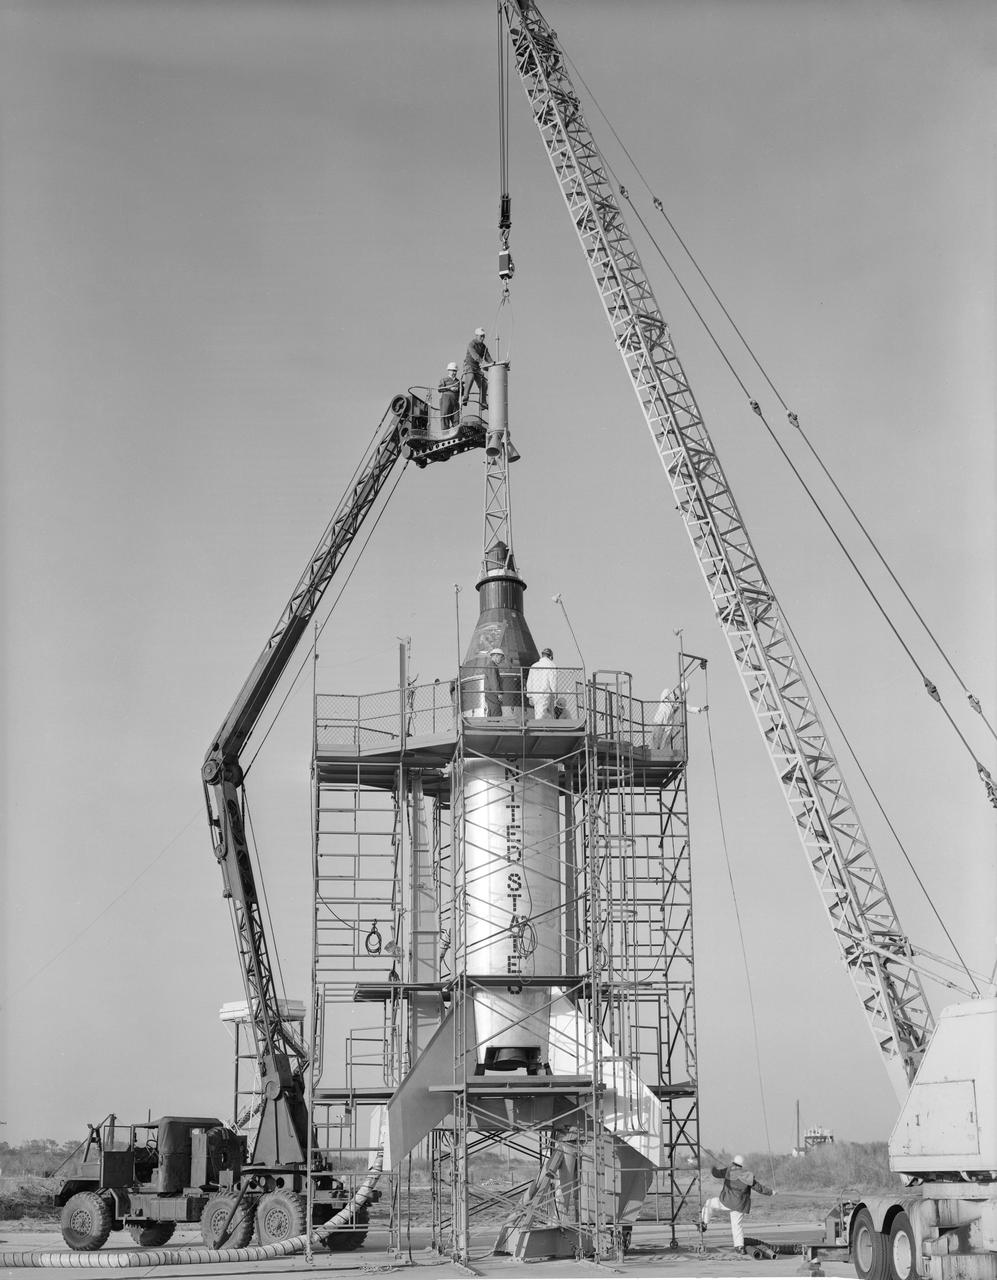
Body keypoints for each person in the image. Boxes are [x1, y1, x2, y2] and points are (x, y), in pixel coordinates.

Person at [699, 1155, 774, 1253]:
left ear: (733, 1163)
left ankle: (704, 1223)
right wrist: (771, 1192)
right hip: (740, 1205)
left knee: (709, 1203)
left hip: (727, 1201)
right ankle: (739, 1247)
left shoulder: (728, 1171)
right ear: (742, 1165)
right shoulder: (747, 1175)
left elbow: (715, 1173)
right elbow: (759, 1188)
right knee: (737, 1225)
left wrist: (712, 1166)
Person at [462, 327, 492, 409]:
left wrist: (493, 365)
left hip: (477, 368)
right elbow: (474, 355)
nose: (482, 338)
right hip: (469, 366)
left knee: (484, 383)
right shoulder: (471, 344)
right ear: (476, 336)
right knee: (470, 376)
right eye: (481, 336)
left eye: (483, 336)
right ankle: (465, 397)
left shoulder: (483, 347)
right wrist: (482, 362)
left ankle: (482, 402)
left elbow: (488, 358)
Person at [526, 648, 557, 719]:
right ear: (550, 656)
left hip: (535, 693)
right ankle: (541, 727)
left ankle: (542, 726)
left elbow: (529, 681)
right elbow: (553, 681)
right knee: (542, 714)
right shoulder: (551, 665)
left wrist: (529, 695)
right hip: (545, 693)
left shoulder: (534, 666)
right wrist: (555, 693)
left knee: (538, 712)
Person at [438, 361, 460, 432]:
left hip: (455, 401)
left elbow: (461, 392)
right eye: (453, 371)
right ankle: (445, 432)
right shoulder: (444, 380)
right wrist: (449, 388)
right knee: (445, 415)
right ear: (449, 370)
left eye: (455, 371)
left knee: (456, 418)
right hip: (446, 400)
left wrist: (459, 388)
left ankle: (456, 432)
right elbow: (440, 389)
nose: (454, 373)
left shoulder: (458, 381)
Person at [483, 647, 504, 717]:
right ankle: (496, 726)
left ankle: (491, 725)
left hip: (490, 692)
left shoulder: (491, 665)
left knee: (491, 710)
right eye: (501, 657)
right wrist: (498, 693)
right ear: (496, 656)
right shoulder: (492, 666)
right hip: (492, 693)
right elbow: (493, 680)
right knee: (496, 710)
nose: (501, 660)